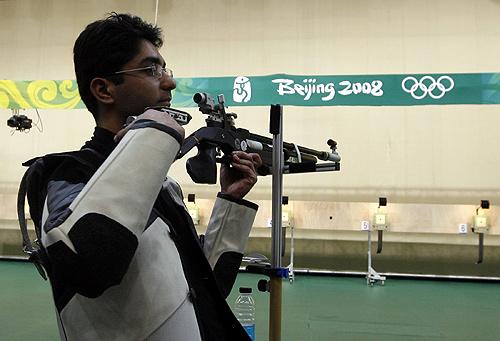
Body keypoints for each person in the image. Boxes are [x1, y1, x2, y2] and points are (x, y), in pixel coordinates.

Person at [24, 12, 262, 341]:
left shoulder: (163, 187)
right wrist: (156, 131)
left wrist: (230, 202)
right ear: (104, 89)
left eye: (165, 69)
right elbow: (88, 265)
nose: (169, 82)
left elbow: (203, 289)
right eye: (151, 70)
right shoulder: (66, 176)